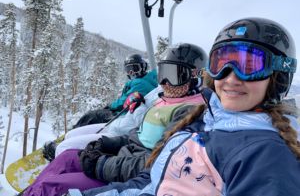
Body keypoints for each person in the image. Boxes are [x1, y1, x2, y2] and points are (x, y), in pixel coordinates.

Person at [73, 17, 300, 196]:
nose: (230, 78)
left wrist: (102, 164)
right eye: (221, 64)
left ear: (278, 76)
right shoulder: (203, 120)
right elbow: (155, 180)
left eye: (250, 66)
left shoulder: (266, 155)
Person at [21, 43, 208, 196]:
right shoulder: (163, 99)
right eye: (163, 74)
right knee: (67, 157)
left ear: (195, 77)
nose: (165, 82)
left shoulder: (189, 113)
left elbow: (154, 164)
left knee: (53, 185)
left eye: (174, 75)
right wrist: (106, 144)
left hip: (126, 176)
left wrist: (99, 163)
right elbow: (136, 136)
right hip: (121, 158)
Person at [43, 54, 158, 161]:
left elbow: (125, 102)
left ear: (143, 67)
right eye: (129, 69)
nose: (132, 72)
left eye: (135, 68)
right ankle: (71, 138)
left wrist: (110, 106)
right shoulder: (145, 82)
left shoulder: (141, 84)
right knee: (94, 116)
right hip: (122, 119)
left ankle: (69, 144)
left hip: (122, 119)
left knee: (94, 116)